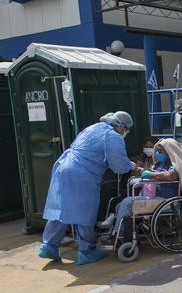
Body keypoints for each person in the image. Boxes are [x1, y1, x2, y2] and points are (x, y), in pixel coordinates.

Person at [38, 111, 142, 265]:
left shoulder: (94, 128)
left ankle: (49, 245)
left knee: (62, 208)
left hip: (64, 168)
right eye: (126, 130)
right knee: (84, 211)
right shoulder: (113, 136)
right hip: (82, 174)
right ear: (121, 127)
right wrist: (134, 166)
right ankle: (87, 251)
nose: (125, 133)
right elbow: (119, 165)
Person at [103, 140, 179, 237]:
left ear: (169, 152)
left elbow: (171, 175)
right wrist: (143, 171)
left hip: (164, 199)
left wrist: (151, 174)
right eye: (158, 151)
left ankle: (119, 234)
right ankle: (118, 230)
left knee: (127, 203)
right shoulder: (160, 163)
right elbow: (153, 171)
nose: (158, 153)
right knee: (119, 205)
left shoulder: (174, 164)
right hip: (152, 196)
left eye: (161, 152)